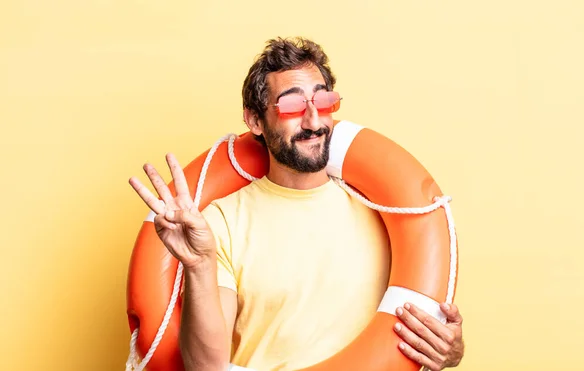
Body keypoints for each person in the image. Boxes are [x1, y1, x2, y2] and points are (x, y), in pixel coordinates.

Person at [129, 37, 465, 371]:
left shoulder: (384, 211)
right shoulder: (221, 223)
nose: (313, 121)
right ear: (255, 120)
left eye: (324, 101)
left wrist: (449, 348)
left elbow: (418, 317)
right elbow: (205, 367)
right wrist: (200, 265)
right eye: (291, 107)